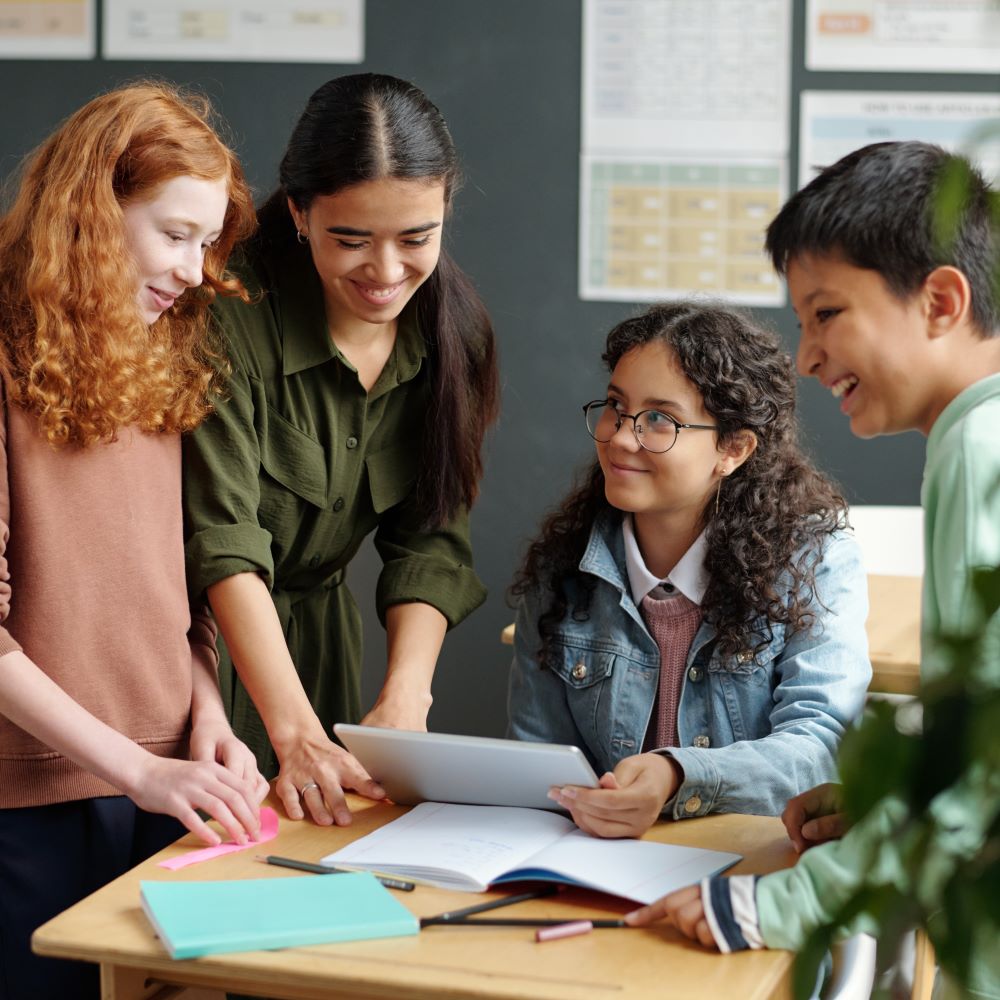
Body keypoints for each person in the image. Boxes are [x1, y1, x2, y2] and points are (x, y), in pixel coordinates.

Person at [626, 142, 1000, 1000]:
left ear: (941, 301)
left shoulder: (981, 446)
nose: (805, 355)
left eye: (827, 314)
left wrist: (773, 907)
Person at [0, 83, 269, 1000]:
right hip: (35, 803)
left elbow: (171, 595)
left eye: (207, 244)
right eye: (174, 234)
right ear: (88, 212)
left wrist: (207, 718)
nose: (196, 274)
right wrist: (141, 766)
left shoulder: (158, 360)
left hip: (166, 792)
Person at [183, 73, 500, 829]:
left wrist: (404, 701)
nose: (386, 273)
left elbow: (431, 541)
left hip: (320, 656)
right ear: (298, 211)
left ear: (446, 206)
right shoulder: (228, 313)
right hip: (199, 659)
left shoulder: (455, 335)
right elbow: (223, 543)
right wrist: (293, 734)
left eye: (416, 239)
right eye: (351, 240)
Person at [507, 301, 871, 838]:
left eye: (660, 420)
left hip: (748, 864)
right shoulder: (564, 564)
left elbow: (820, 747)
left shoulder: (813, 556)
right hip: (598, 864)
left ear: (734, 449)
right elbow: (537, 763)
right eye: (616, 406)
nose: (621, 436)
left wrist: (678, 775)